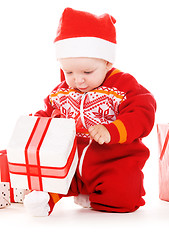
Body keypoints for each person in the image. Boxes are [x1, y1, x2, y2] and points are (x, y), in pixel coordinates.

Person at [24, 7, 156, 216]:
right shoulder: (61, 92)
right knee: (51, 175)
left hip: (112, 162)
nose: (78, 80)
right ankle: (44, 199)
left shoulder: (123, 86)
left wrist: (112, 130)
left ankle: (97, 194)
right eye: (69, 72)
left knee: (124, 195)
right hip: (71, 161)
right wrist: (35, 123)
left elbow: (143, 111)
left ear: (107, 62)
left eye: (87, 71)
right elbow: (47, 113)